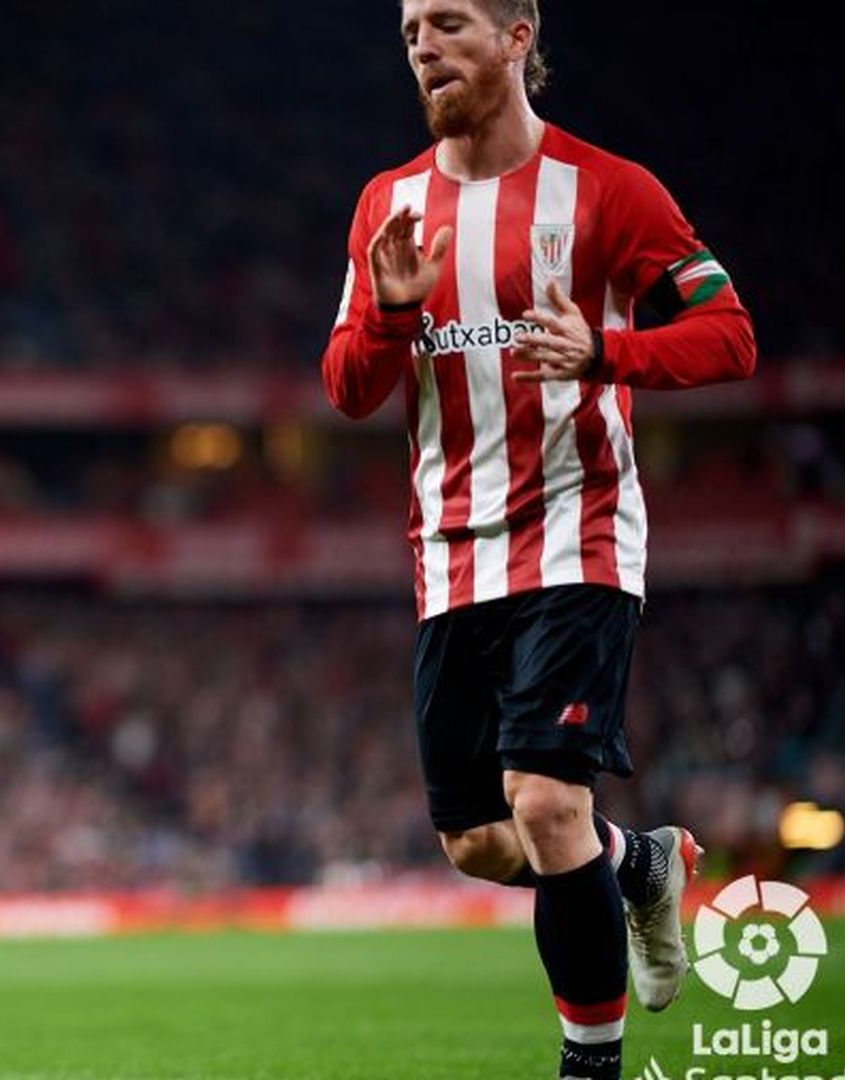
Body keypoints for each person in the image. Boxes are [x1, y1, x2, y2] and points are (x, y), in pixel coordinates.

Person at [320, 2, 757, 1078]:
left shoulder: (610, 189)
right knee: (479, 842)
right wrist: (389, 315)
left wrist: (609, 352)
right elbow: (347, 391)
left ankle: (588, 1066)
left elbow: (730, 334)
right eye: (411, 30)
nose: (423, 45)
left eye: (449, 23)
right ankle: (637, 863)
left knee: (548, 801)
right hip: (450, 555)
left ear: (519, 37)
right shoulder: (387, 205)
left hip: (578, 531)